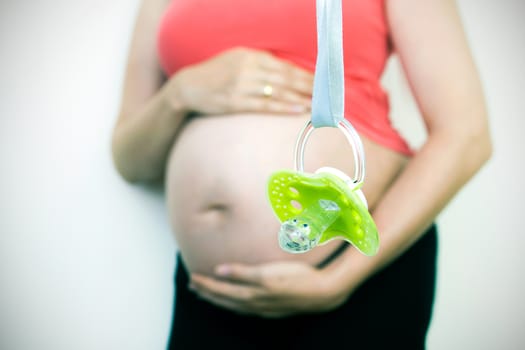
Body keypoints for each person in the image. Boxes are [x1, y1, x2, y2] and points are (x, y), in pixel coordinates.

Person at [111, 0, 492, 348]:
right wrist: (180, 92)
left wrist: (338, 279)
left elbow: (466, 135)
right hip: (216, 291)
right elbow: (130, 160)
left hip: (355, 272)